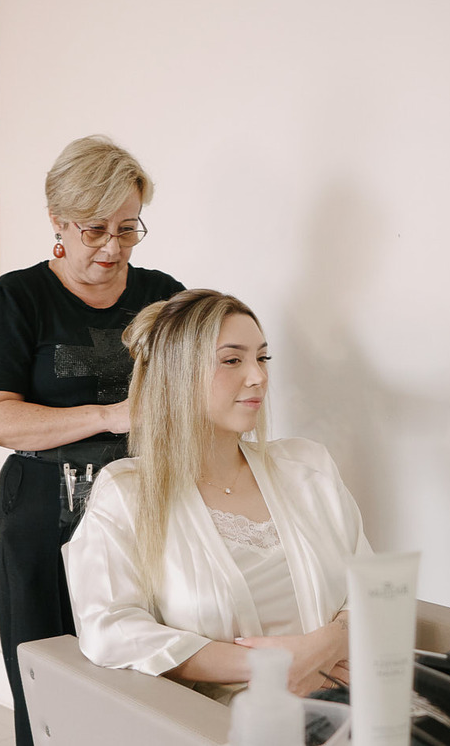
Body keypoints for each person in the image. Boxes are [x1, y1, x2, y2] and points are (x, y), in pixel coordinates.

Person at [0, 136, 184, 746]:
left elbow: (194, 389)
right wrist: (111, 415)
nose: (113, 248)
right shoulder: (18, 298)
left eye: (128, 228)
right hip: (40, 512)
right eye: (94, 230)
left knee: (143, 678)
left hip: (146, 509)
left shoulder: (163, 295)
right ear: (58, 222)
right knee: (48, 686)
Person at [63, 289, 368, 702]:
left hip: (358, 698)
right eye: (232, 360)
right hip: (232, 722)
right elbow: (110, 628)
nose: (258, 376)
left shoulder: (306, 467)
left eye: (262, 357)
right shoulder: (128, 494)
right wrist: (271, 666)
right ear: (177, 374)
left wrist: (328, 643)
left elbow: (371, 586)